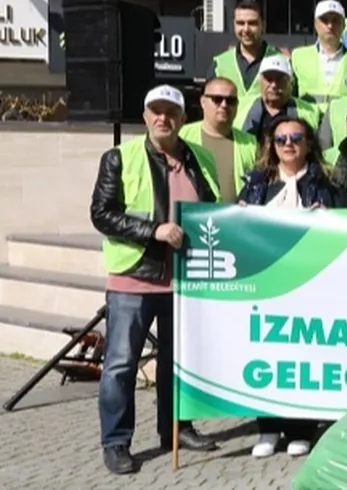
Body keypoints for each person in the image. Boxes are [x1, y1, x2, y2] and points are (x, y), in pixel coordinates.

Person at [91, 85, 221, 475]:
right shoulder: (119, 158)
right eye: (156, 111)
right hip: (134, 278)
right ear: (145, 116)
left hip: (184, 281)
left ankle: (175, 430)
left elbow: (210, 206)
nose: (163, 118)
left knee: (177, 364)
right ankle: (116, 442)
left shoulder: (199, 158)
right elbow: (101, 213)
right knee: (120, 365)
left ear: (183, 118)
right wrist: (153, 230)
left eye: (171, 111)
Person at [237, 118, 335, 456]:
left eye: (296, 138)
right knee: (266, 357)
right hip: (266, 287)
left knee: (303, 359)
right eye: (281, 139)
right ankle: (267, 428)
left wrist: (328, 215)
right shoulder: (256, 182)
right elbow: (238, 225)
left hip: (309, 285)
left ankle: (301, 429)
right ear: (271, 144)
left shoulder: (325, 182)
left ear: (308, 143)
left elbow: (341, 226)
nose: (288, 144)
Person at [177, 77, 258, 202]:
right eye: (217, 99)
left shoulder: (251, 143)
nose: (224, 105)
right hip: (193, 217)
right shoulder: (181, 136)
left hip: (236, 218)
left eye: (230, 101)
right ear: (203, 102)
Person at [236, 55, 322, 143]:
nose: (274, 85)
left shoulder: (311, 112)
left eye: (280, 79)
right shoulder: (240, 108)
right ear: (260, 81)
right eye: (268, 79)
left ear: (291, 83)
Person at [210, 0, 284, 98]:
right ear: (234, 25)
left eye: (252, 23)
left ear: (263, 25)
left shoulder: (282, 62)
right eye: (240, 23)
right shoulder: (219, 64)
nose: (246, 29)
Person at [292, 0, 347, 111]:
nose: (330, 26)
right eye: (324, 21)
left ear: (344, 25)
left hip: (341, 124)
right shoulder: (298, 56)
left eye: (335, 21)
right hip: (307, 123)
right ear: (316, 24)